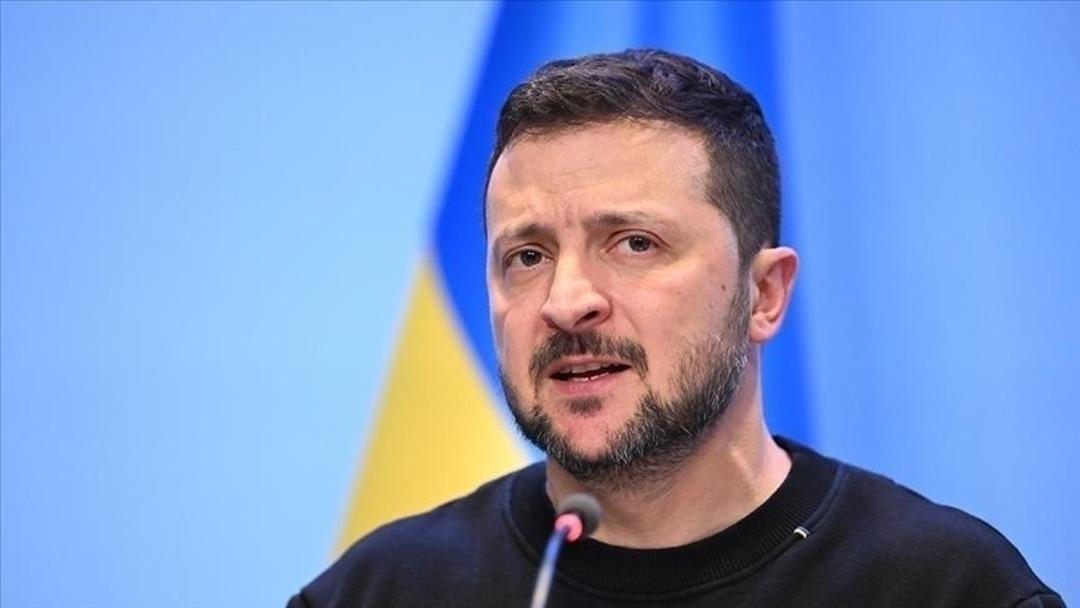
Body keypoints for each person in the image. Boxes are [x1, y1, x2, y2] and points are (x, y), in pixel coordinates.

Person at [288, 49, 1062, 607]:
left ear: (764, 294)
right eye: (527, 256)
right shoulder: (383, 591)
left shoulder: (944, 587)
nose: (566, 301)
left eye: (634, 244)